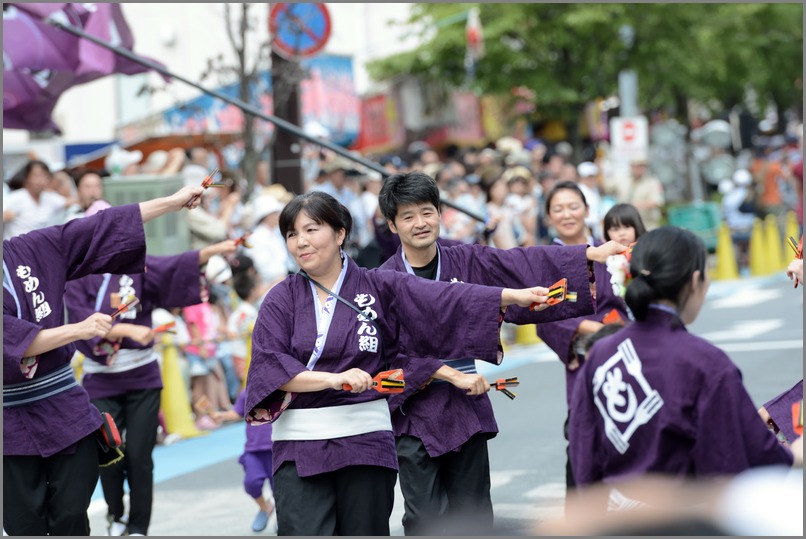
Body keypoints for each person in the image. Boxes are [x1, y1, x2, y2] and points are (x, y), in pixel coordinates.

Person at [242, 191, 553, 536]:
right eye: (292, 234)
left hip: (366, 442)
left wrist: (510, 296)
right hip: (301, 445)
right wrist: (333, 379)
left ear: (340, 233)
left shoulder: (378, 285)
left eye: (312, 230)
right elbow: (270, 366)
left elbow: (443, 297)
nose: (302, 242)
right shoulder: (279, 299)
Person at [377, 171, 625, 535]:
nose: (420, 223)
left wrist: (589, 253)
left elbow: (518, 264)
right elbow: (386, 360)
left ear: (441, 213)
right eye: (408, 216)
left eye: (427, 212)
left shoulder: (464, 260)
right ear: (392, 224)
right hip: (414, 412)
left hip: (467, 402)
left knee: (475, 517)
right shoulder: (383, 281)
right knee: (423, 520)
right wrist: (444, 373)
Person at [3, 184, 205, 536]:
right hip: (12, 422)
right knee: (23, 527)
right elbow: (19, 340)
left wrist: (172, 202)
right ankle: (118, 516)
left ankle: (136, 525)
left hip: (67, 408)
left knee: (72, 514)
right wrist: (78, 329)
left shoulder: (31, 249)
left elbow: (101, 226)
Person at [568, 226, 794, 509]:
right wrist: (791, 454)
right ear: (695, 280)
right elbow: (741, 456)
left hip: (614, 514)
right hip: (681, 516)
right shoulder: (705, 362)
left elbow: (583, 449)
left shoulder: (601, 352)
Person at [63, 202, 237, 537]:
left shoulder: (138, 267)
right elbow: (86, 323)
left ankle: (139, 526)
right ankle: (116, 515)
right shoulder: (78, 275)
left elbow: (177, 265)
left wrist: (214, 249)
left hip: (143, 376)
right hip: (102, 380)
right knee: (109, 453)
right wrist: (130, 331)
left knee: (141, 456)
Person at [534, 181, 632, 499]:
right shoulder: (544, 260)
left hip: (626, 356)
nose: (567, 214)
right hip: (585, 362)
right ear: (548, 218)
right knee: (584, 442)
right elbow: (545, 317)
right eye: (558, 209)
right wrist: (600, 331)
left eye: (573, 206)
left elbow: (633, 297)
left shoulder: (612, 251)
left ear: (587, 210)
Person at [213, 390, 276, 533]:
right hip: (254, 450)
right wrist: (221, 416)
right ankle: (265, 508)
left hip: (276, 449)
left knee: (279, 489)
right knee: (251, 483)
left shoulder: (280, 387)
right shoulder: (247, 392)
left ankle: (281, 515)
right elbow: (237, 412)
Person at [3, 160, 72, 239]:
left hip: (39, 247)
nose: (40, 180)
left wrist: (64, 177)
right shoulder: (17, 198)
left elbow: (73, 201)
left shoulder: (49, 198)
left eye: (44, 176)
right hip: (16, 248)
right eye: (36, 175)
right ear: (26, 178)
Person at [628, 159, 665, 231]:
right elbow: (605, 188)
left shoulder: (652, 182)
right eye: (637, 166)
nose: (640, 169)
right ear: (631, 167)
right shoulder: (623, 180)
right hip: (629, 226)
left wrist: (633, 205)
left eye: (642, 166)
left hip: (648, 225)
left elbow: (657, 201)